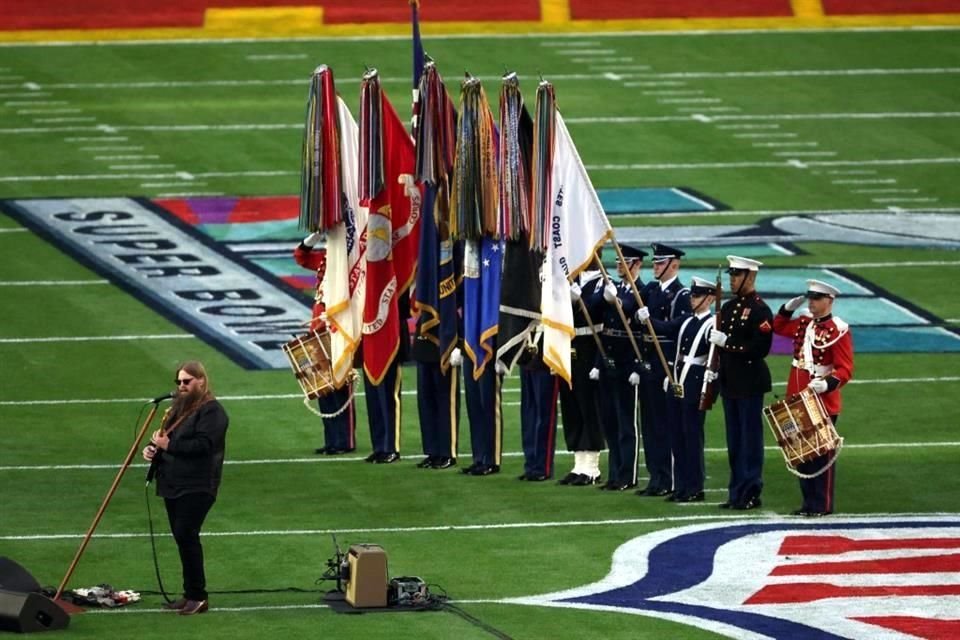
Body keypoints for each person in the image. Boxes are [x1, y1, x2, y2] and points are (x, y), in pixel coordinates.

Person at [142, 361, 228, 616]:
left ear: (201, 381)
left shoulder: (213, 412)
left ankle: (198, 596)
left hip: (198, 483)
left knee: (186, 534)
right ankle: (190, 594)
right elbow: (168, 440)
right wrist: (153, 450)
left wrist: (168, 446)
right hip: (173, 482)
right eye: (179, 382)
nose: (181, 386)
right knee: (183, 538)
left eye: (187, 381)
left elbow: (204, 446)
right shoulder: (179, 408)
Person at [773, 279, 854, 517]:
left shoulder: (837, 330)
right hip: (797, 397)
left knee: (821, 456)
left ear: (829, 300)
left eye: (817, 299)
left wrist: (827, 384)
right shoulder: (804, 323)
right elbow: (778, 327)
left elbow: (845, 368)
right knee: (802, 455)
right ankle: (809, 503)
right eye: (810, 298)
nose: (811, 302)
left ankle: (822, 505)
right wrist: (786, 309)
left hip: (821, 400)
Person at [706, 256, 773, 511]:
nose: (732, 280)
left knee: (750, 441)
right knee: (734, 441)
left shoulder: (760, 310)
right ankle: (736, 492)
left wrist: (728, 343)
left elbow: (760, 348)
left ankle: (751, 491)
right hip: (730, 382)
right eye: (732, 275)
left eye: (737, 275)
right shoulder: (729, 307)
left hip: (749, 382)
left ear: (750, 277)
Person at [633, 243, 691, 498]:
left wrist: (650, 321)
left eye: (660, 262)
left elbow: (677, 327)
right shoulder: (652, 290)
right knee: (649, 425)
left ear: (674, 265)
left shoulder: (681, 294)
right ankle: (655, 477)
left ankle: (668, 478)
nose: (655, 266)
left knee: (664, 425)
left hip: (666, 365)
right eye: (655, 262)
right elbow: (631, 309)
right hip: (649, 364)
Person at [293, 232, 357, 456]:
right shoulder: (326, 259)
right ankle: (331, 440)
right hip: (318, 331)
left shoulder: (350, 263)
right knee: (323, 390)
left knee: (341, 389)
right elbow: (301, 256)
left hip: (338, 330)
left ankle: (345, 441)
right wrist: (315, 236)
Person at [592, 244, 646, 491]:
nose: (618, 266)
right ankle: (614, 473)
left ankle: (627, 475)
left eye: (623, 261)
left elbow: (636, 322)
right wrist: (598, 363)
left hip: (627, 362)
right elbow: (595, 311)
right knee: (610, 421)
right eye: (617, 261)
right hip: (608, 360)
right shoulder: (613, 288)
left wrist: (637, 366)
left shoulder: (642, 291)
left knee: (626, 423)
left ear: (636, 264)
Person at [662, 276, 717, 503]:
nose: (693, 299)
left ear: (710, 299)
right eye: (693, 295)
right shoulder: (687, 321)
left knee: (692, 436)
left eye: (698, 296)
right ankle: (681, 485)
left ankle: (695, 486)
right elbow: (671, 340)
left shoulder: (712, 324)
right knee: (677, 435)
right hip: (678, 379)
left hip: (694, 383)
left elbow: (713, 360)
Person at [557, 260, 606, 486]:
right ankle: (578, 464)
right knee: (572, 406)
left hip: (590, 347)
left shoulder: (603, 282)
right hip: (570, 345)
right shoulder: (573, 280)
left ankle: (592, 467)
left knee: (589, 407)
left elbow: (596, 309)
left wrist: (579, 301)